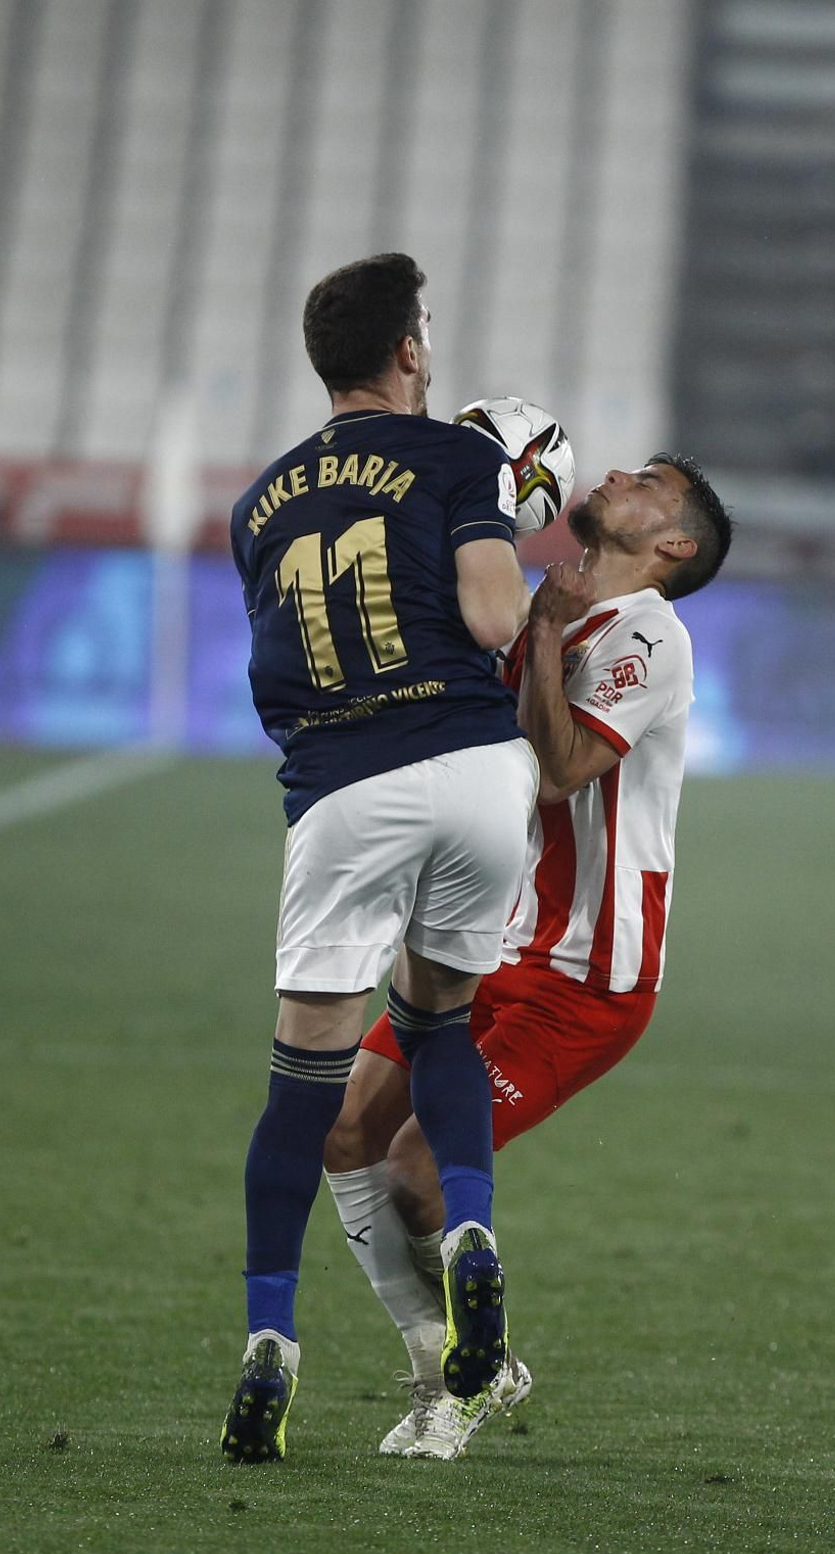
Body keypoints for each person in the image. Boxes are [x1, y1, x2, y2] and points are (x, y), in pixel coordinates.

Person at [323, 452, 732, 1459]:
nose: (619, 472)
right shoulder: (530, 607)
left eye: (649, 483)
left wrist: (543, 632)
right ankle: (454, 1359)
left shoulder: (650, 636)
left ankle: (460, 1381)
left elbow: (561, 771)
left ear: (673, 545)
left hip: (586, 978)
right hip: (482, 944)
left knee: (418, 1170)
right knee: (343, 1131)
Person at [222, 253, 537, 1463]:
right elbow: (496, 617)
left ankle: (271, 1338)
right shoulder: (460, 459)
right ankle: (469, 1231)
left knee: (302, 1084)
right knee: (441, 1022)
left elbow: (275, 666)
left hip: (345, 787)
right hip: (475, 771)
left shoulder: (259, 504)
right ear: (409, 351)